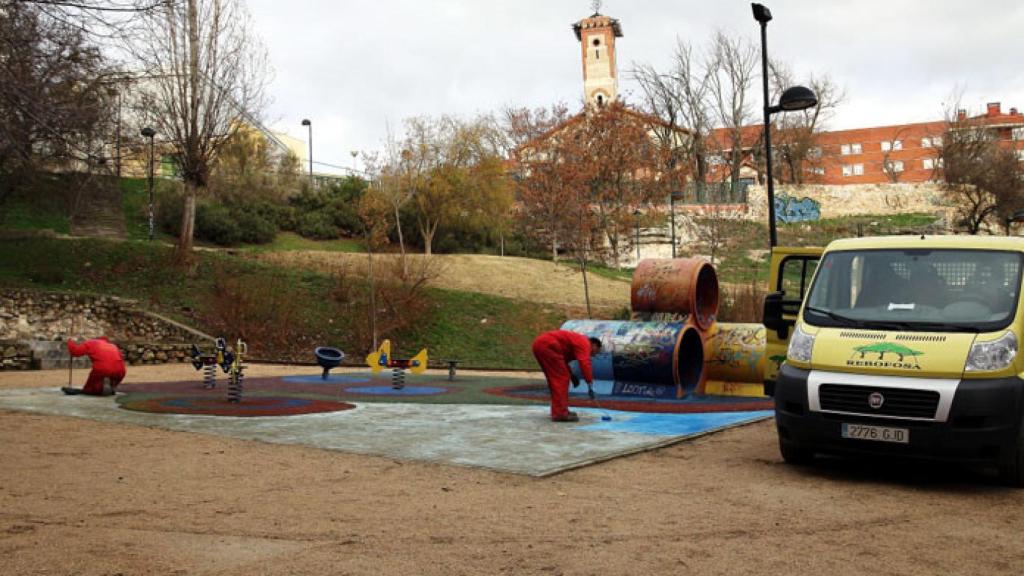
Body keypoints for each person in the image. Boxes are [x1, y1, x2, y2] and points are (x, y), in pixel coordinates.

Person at [531, 330, 602, 422]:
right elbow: (585, 363)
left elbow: (563, 361)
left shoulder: (578, 341)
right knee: (561, 379)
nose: (594, 355)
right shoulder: (585, 343)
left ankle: (561, 410)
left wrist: (571, 375)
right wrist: (589, 382)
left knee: (556, 380)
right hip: (548, 345)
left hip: (541, 345)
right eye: (596, 351)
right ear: (594, 345)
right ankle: (560, 413)